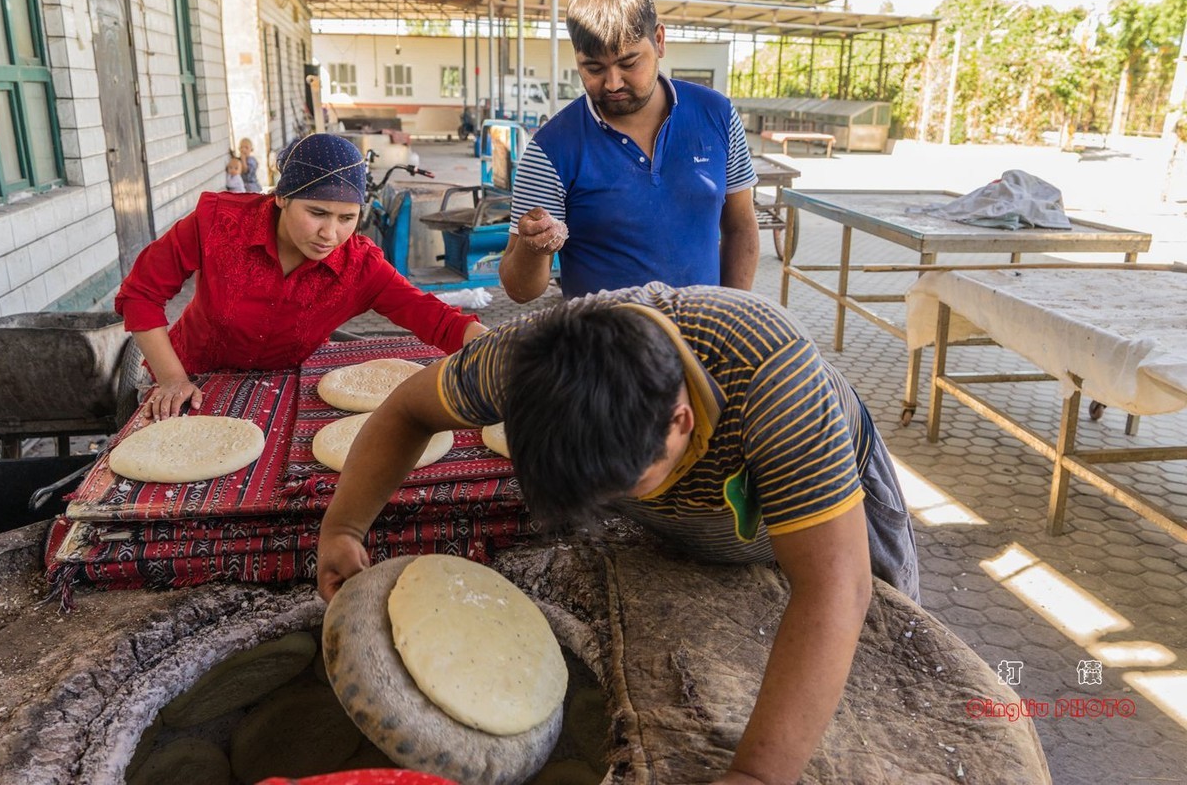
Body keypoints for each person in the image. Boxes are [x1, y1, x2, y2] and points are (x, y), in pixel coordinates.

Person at [316, 282, 919, 784]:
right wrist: (344, 526)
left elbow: (835, 590)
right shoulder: (525, 362)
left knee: (884, 677)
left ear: (681, 423)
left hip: (834, 505)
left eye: (622, 489)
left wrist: (758, 774)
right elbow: (408, 409)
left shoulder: (773, 382)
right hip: (698, 510)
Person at [115, 133, 487, 421]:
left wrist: (503, 353)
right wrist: (172, 379)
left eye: (346, 218)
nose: (330, 234)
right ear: (281, 198)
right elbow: (141, 294)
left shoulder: (359, 267)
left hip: (283, 389)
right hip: (188, 380)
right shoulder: (218, 225)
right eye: (317, 212)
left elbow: (439, 321)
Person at [498, 0, 761, 303]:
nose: (612, 83)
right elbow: (519, 290)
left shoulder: (717, 115)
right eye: (593, 68)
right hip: (602, 348)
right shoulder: (550, 149)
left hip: (701, 343)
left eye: (628, 63)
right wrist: (532, 247)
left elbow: (741, 227)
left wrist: (732, 316)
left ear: (659, 41)